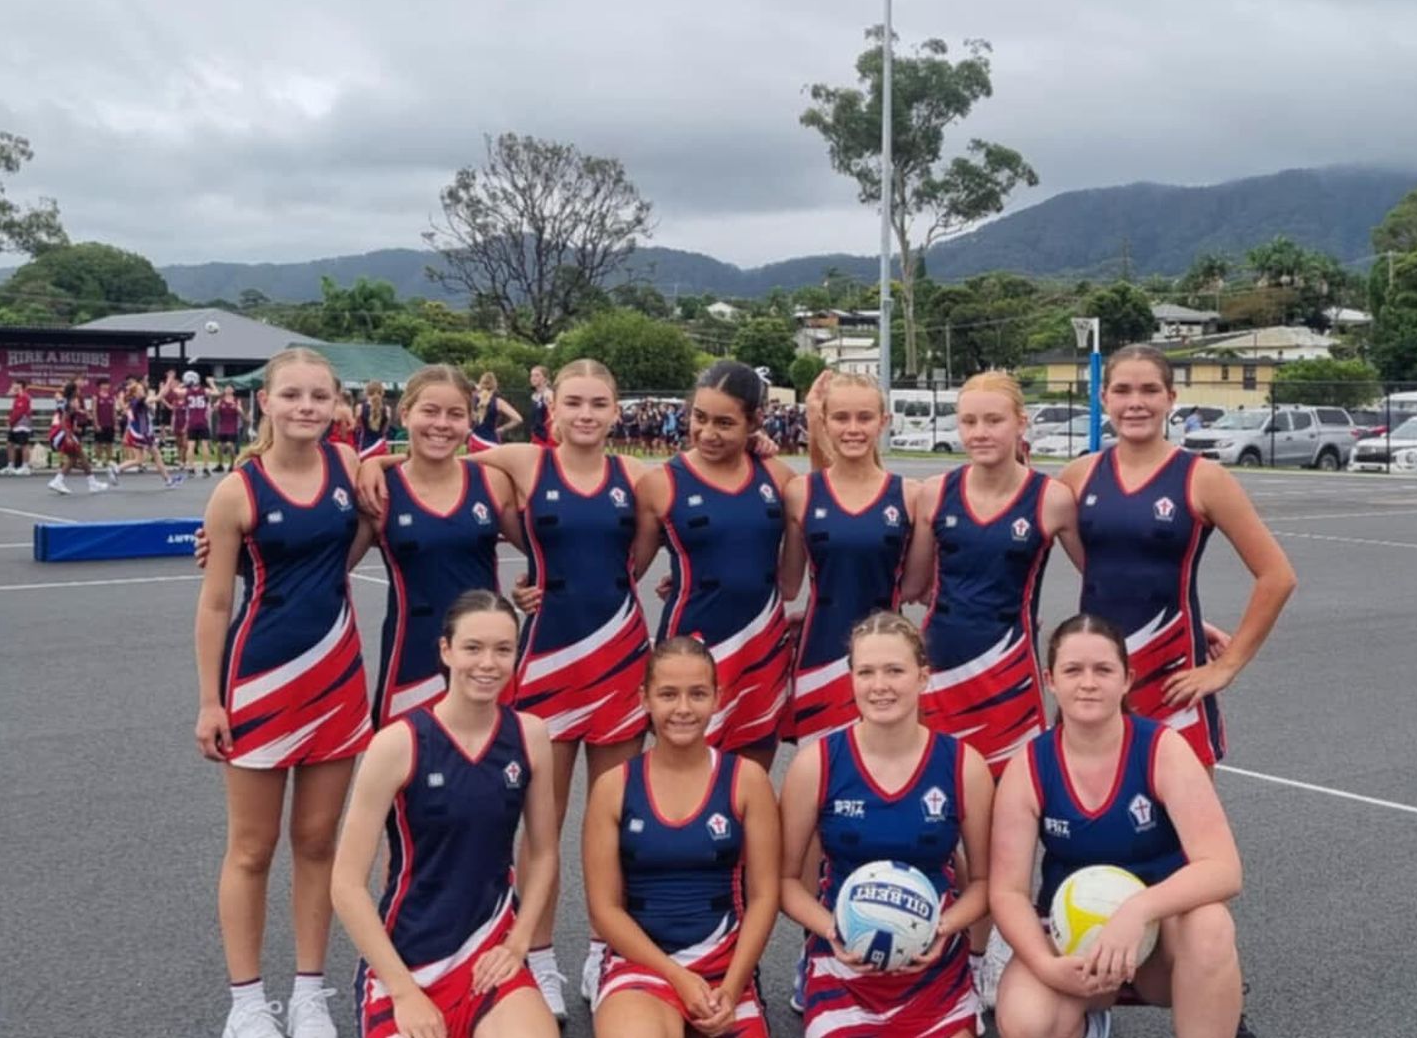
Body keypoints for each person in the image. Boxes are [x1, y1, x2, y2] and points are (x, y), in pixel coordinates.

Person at [363, 359, 649, 1014]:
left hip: (618, 655)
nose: (585, 413)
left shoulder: (637, 475)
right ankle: (535, 954)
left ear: (616, 409)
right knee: (538, 817)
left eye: (598, 403)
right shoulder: (519, 463)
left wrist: (761, 442)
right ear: (552, 407)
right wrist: (369, 463)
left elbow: (650, 538)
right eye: (573, 401)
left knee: (615, 817)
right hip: (544, 659)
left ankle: (606, 950)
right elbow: (431, 455)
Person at [194, 347, 375, 1038]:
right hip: (261, 679)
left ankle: (308, 993)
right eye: (292, 394)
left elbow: (358, 538)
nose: (306, 407)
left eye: (319, 396)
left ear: (337, 405)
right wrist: (210, 701)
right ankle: (246, 1001)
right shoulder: (237, 491)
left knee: (318, 841)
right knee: (251, 847)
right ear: (264, 401)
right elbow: (216, 604)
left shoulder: (350, 467)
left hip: (337, 676)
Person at [989, 615, 1250, 1038]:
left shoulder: (1163, 750)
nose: (1088, 683)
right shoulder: (1030, 766)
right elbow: (1008, 891)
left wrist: (1138, 910)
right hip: (1074, 945)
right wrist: (1046, 965)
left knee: (1211, 925)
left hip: (1158, 945)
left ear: (1127, 679)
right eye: (1073, 670)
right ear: (1051, 681)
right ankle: (1089, 1020)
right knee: (1026, 1022)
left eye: (1103, 670)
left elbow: (1223, 869)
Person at [330, 591, 561, 1038]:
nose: (488, 663)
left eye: (503, 649)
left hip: (489, 953)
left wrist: (518, 944)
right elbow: (346, 884)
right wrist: (403, 991)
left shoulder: (530, 736)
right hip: (408, 961)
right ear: (446, 650)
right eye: (473, 647)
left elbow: (545, 852)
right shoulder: (398, 744)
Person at [1060, 344, 1297, 766]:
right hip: (1097, 673)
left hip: (1172, 676)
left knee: (1185, 803)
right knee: (1091, 802)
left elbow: (1277, 576)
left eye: (1150, 390)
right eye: (1123, 390)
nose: (1136, 403)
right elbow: (1094, 568)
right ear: (1104, 398)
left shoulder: (1204, 478)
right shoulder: (1078, 476)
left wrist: (1227, 666)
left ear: (1171, 398)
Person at [779, 611, 994, 1038]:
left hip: (932, 959)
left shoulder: (963, 765)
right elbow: (784, 881)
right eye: (866, 672)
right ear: (851, 679)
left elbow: (987, 882)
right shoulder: (816, 764)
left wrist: (944, 928)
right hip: (844, 960)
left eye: (895, 670)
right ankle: (813, 975)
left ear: (923, 677)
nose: (879, 685)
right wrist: (830, 930)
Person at [585, 637, 782, 1038]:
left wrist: (732, 988)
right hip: (641, 965)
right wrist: (676, 976)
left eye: (697, 694)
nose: (683, 709)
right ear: (644, 698)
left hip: (724, 969)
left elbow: (765, 896)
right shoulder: (614, 787)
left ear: (717, 697)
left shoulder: (747, 780)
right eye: (668, 694)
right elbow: (605, 909)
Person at [901, 370, 1084, 774]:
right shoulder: (935, 492)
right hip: (940, 663)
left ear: (1021, 423)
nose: (979, 433)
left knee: (1011, 793)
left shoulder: (1052, 499)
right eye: (968, 422)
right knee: (938, 789)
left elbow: (1105, 579)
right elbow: (912, 585)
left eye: (994, 420)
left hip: (1010, 668)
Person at [631, 361, 800, 764]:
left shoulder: (778, 478)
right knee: (685, 771)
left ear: (754, 422)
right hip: (690, 644)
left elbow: (834, 515)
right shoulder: (660, 484)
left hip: (761, 644)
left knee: (751, 774)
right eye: (700, 418)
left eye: (725, 423)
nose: (707, 433)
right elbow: (625, 572)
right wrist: (539, 585)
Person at [372, 365, 526, 722]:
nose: (441, 424)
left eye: (455, 414)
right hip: (410, 655)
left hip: (484, 657)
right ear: (405, 414)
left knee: (491, 753)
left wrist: (531, 587)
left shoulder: (493, 483)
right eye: (430, 411)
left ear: (470, 421)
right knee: (407, 754)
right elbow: (328, 561)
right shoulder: (379, 490)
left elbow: (547, 551)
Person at [779, 371, 911, 745]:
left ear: (883, 421)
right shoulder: (799, 493)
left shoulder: (911, 496)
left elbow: (925, 584)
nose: (853, 429)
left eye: (864, 417)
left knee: (887, 761)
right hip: (821, 646)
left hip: (888, 649)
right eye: (840, 418)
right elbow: (787, 585)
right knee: (820, 763)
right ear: (824, 422)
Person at [47, 380, 111, 495]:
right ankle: (91, 483)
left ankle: (59, 481)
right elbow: (63, 420)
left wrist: (77, 423)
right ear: (73, 391)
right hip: (62, 432)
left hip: (59, 431)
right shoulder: (69, 403)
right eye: (77, 389)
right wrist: (68, 436)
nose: (79, 391)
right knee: (80, 456)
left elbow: (68, 416)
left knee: (74, 458)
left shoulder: (65, 402)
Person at [120, 378, 185, 488]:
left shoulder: (133, 403)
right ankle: (168, 480)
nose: (143, 391)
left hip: (139, 433)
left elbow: (131, 419)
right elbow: (159, 397)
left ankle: (116, 469)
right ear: (135, 393)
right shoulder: (140, 401)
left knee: (139, 459)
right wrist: (168, 382)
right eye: (140, 390)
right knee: (155, 455)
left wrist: (166, 385)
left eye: (142, 389)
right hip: (143, 434)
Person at [470, 372, 524, 452]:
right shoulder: (498, 402)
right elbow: (518, 419)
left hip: (475, 440)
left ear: (480, 383)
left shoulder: (472, 400)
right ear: (495, 386)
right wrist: (502, 429)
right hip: (491, 442)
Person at [182, 370, 217, 477]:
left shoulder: (186, 392)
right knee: (204, 445)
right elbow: (217, 392)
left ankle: (191, 468)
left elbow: (174, 390)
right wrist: (211, 383)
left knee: (191, 446)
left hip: (192, 422)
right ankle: (205, 468)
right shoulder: (204, 391)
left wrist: (182, 384)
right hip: (203, 421)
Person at [356, 380, 394, 461]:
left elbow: (358, 426)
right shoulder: (387, 409)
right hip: (380, 445)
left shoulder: (360, 408)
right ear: (382, 393)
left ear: (366, 393)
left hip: (364, 446)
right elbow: (385, 429)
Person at [6, 380, 37, 476]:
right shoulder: (17, 397)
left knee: (24, 445)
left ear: (21, 387)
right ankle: (10, 466)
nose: (13, 387)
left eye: (16, 386)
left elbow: (19, 412)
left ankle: (25, 467)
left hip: (22, 425)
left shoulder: (25, 397)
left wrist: (11, 421)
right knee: (10, 444)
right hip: (14, 425)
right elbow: (8, 394)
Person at [216, 386, 247, 468]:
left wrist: (238, 408)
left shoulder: (236, 400)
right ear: (224, 390)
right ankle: (220, 464)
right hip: (222, 427)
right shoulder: (220, 400)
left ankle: (233, 463)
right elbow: (215, 410)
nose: (228, 390)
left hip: (232, 427)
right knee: (219, 445)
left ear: (233, 390)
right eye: (227, 388)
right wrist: (215, 406)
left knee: (229, 445)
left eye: (230, 388)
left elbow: (241, 413)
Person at [528, 366, 555, 446]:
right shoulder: (534, 396)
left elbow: (553, 416)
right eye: (532, 375)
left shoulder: (548, 394)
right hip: (536, 436)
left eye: (537, 375)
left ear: (545, 378)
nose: (533, 378)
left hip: (547, 436)